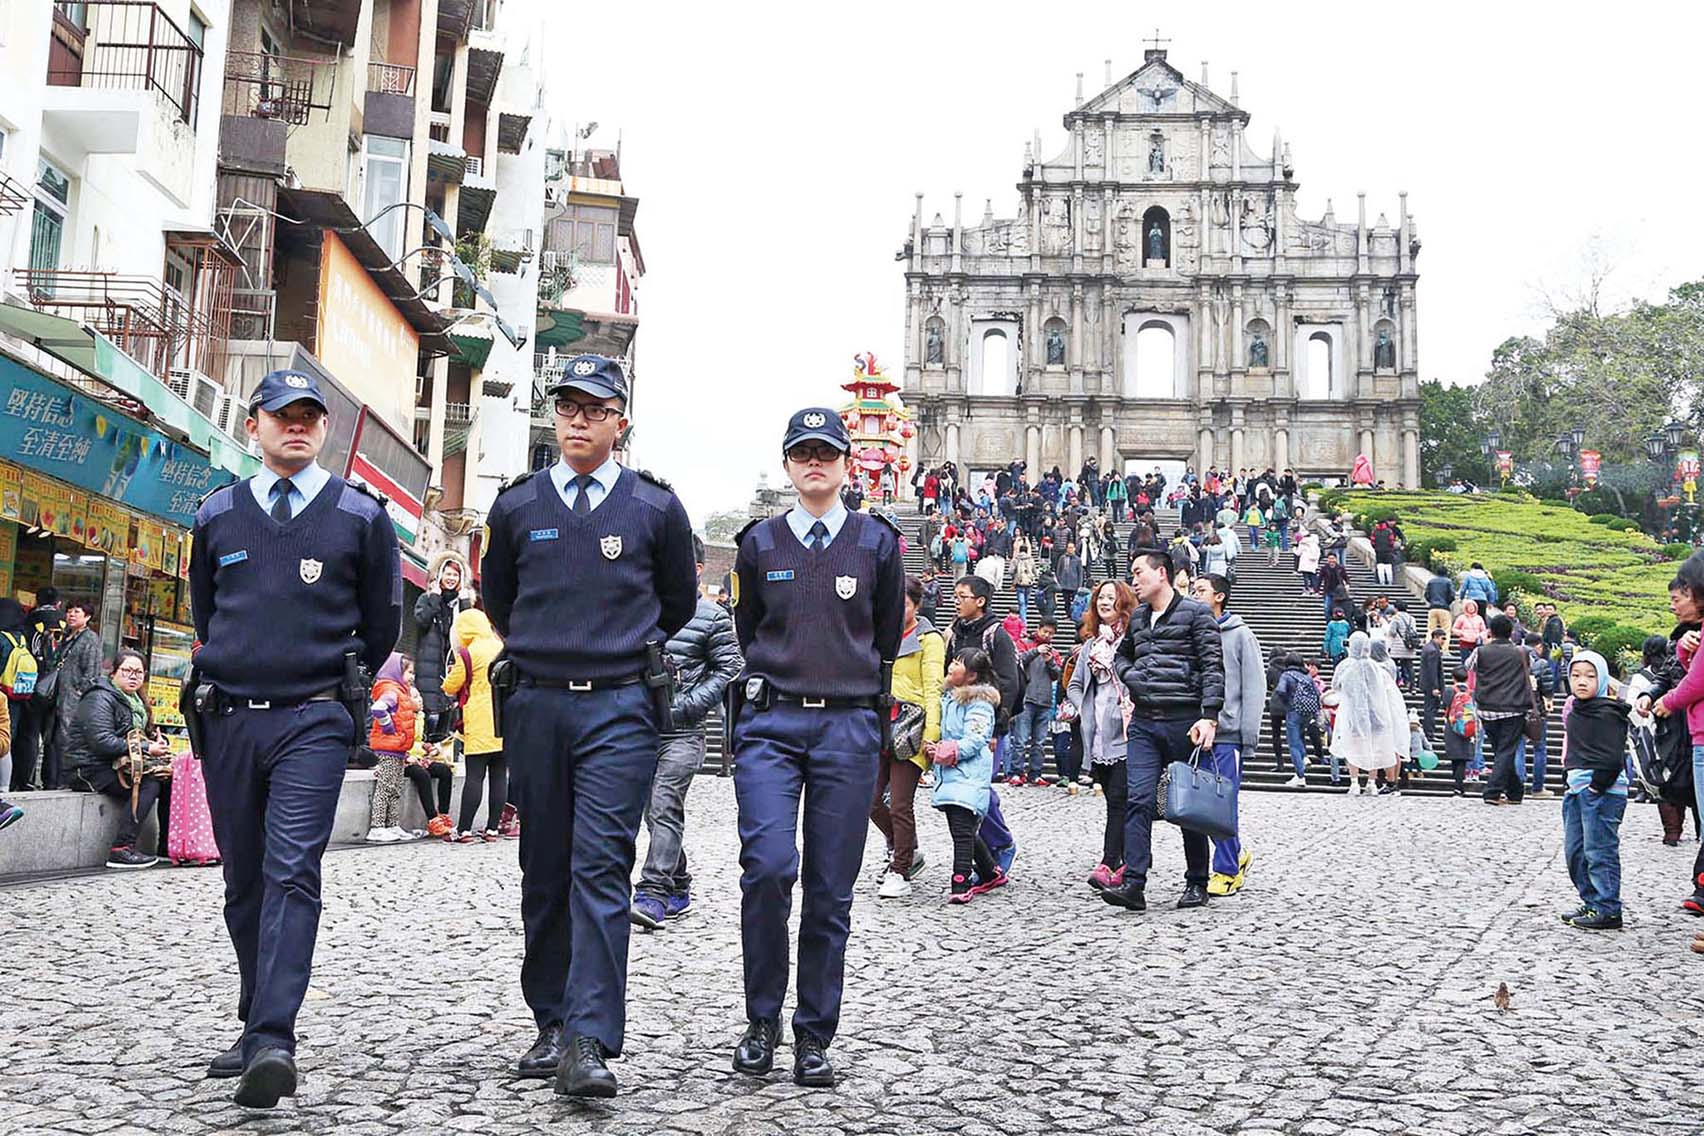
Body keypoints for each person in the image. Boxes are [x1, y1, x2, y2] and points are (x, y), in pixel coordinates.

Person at [186, 369, 402, 1107]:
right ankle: (255, 1018)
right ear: (254, 425)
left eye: (310, 416)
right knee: (243, 881)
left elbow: (382, 624)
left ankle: (274, 1038)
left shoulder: (359, 516)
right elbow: (206, 616)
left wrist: (331, 683)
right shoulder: (217, 514)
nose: (297, 426)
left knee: (291, 871)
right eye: (282, 416)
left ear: (324, 429)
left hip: (312, 716)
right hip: (229, 718)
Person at [481, 354, 695, 1098]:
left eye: (593, 407)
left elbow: (673, 603)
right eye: (566, 405)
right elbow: (501, 602)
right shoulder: (516, 508)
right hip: (538, 703)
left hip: (618, 706)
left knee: (601, 865)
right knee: (543, 867)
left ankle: (590, 1038)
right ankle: (549, 1018)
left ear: (619, 422)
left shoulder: (654, 508)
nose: (576, 418)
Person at [727, 405, 902, 1090]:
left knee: (831, 892)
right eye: (802, 452)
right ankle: (761, 1020)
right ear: (788, 463)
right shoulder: (759, 544)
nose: (814, 462)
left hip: (848, 727)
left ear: (846, 463)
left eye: (826, 451)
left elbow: (883, 635)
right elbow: (748, 630)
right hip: (772, 726)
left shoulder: (876, 544)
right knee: (768, 869)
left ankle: (814, 1034)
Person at [1100, 551, 1224, 912]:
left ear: (1162, 574)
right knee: (1137, 799)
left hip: (1185, 722)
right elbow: (1121, 657)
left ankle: (1197, 881)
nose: (1133, 580)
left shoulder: (1197, 614)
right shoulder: (1138, 617)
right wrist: (1131, 676)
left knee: (1189, 805)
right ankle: (1134, 884)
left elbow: (1213, 666)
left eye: (1139, 573)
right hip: (1144, 722)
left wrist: (1209, 717)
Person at [632, 535, 742, 927]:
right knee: (651, 811)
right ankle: (679, 883)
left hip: (684, 732)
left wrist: (688, 705)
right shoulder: (641, 609)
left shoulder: (712, 616)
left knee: (663, 804)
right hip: (641, 728)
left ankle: (653, 892)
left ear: (696, 569)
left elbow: (731, 665)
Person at [871, 575, 943, 899]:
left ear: (917, 604)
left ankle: (900, 869)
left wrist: (932, 735)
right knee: (870, 801)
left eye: (905, 604)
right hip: (879, 723)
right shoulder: (879, 634)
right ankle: (904, 848)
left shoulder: (929, 639)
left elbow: (933, 689)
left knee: (900, 803)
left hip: (911, 726)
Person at [1191, 574, 1263, 896]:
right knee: (1197, 805)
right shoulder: (1191, 632)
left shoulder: (1241, 635)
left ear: (1219, 597)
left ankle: (1226, 870)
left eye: (1201, 591)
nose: (1194, 595)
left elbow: (1254, 685)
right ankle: (1235, 854)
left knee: (1222, 804)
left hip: (1227, 732)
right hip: (1196, 730)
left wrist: (1248, 735)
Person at [1640, 554, 1704, 914]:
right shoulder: (1684, 635)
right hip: (1688, 731)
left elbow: (1696, 680)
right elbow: (1675, 670)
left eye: (1680, 596)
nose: (1674, 605)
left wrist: (1669, 701)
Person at [69, 649, 173, 868]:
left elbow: (141, 735)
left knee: (169, 779)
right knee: (149, 783)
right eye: (127, 670)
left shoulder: (136, 701)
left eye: (139, 672)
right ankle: (121, 848)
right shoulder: (99, 697)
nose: (133, 676)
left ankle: (166, 846)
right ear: (114, 673)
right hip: (89, 767)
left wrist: (157, 742)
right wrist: (147, 747)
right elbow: (102, 741)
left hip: (120, 764)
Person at [927, 648, 1008, 904]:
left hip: (968, 773)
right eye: (952, 660)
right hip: (951, 771)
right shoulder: (949, 698)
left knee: (962, 830)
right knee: (962, 828)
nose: (951, 666)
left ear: (972, 676)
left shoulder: (980, 703)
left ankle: (960, 881)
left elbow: (976, 738)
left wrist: (946, 751)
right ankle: (989, 871)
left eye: (958, 664)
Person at [1558, 650, 1630, 931]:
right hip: (1576, 788)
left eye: (1590, 676)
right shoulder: (1576, 710)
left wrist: (1595, 786)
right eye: (1575, 676)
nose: (1582, 682)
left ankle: (1608, 907)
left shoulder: (1609, 712)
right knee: (1575, 851)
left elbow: (1613, 758)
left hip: (1602, 792)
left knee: (1599, 850)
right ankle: (1591, 900)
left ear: (1601, 679)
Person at [443, 606, 510, 843]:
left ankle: (464, 830)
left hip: (479, 721)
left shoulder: (468, 653)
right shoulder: (501, 646)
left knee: (475, 776)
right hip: (503, 720)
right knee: (500, 775)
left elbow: (452, 685)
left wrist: (449, 679)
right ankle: (492, 829)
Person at [1329, 632, 1409, 796]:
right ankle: (1371, 782)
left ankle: (1354, 782)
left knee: (1352, 746)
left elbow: (1336, 685)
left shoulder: (1345, 665)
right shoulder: (1374, 666)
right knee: (1372, 747)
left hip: (1352, 711)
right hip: (1375, 711)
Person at [364, 654, 430, 843]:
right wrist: (389, 728)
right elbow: (378, 709)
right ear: (396, 672)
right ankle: (377, 827)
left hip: (398, 748)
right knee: (386, 788)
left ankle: (392, 825)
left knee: (395, 788)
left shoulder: (400, 691)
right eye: (409, 672)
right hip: (388, 748)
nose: (412, 677)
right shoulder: (391, 691)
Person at [1473, 614, 1535, 806]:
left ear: (1490, 632)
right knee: (1505, 751)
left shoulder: (1481, 651)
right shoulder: (1522, 652)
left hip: (1487, 708)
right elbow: (1532, 669)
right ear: (1511, 633)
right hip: (1513, 708)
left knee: (1501, 750)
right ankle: (1492, 792)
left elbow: (1469, 667)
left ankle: (1515, 792)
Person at [412, 556, 470, 742]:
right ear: (439, 575)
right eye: (448, 573)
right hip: (428, 665)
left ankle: (440, 758)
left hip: (451, 665)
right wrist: (435, 598)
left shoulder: (460, 603)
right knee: (430, 714)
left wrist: (465, 603)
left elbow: (469, 630)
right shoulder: (426, 598)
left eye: (456, 574)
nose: (451, 578)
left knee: (448, 714)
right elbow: (422, 621)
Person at [52, 600, 103, 791]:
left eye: (77, 612)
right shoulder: (66, 636)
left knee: (69, 738)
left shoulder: (90, 639)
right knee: (55, 738)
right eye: (69, 611)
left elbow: (92, 673)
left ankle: (68, 780)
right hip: (59, 696)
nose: (71, 615)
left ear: (87, 617)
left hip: (74, 699)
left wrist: (82, 695)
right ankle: (54, 779)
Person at [1010, 619, 1061, 787]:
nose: (1047, 635)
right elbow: (1018, 662)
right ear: (1038, 629)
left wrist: (1050, 661)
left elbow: (1056, 675)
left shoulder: (1053, 652)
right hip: (1026, 698)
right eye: (1045, 631)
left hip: (1045, 701)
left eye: (1051, 633)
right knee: (1020, 739)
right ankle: (1016, 772)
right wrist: (1036, 652)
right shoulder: (1024, 644)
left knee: (1039, 743)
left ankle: (1035, 773)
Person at [1444, 667, 1476, 795]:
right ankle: (1459, 786)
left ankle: (1457, 785)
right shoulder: (1471, 692)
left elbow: (1445, 705)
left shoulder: (1449, 690)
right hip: (1467, 726)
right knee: (1463, 757)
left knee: (1455, 757)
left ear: (1453, 677)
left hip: (1452, 726)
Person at [1385, 600, 1419, 689]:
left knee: (1394, 664)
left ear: (1396, 608)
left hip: (1398, 646)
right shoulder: (1412, 618)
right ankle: (1412, 686)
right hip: (1409, 645)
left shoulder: (1396, 618)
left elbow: (1392, 632)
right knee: (1409, 666)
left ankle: (1395, 683)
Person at [1420, 630, 1447, 742]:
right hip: (1431, 685)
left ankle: (1429, 732)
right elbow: (1432, 671)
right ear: (1436, 637)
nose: (1444, 641)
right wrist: (1435, 687)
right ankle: (1429, 733)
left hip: (1427, 684)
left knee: (1430, 708)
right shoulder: (1432, 650)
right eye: (1443, 638)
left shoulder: (1429, 648)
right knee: (1430, 709)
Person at [1424, 570, 1455, 642]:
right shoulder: (1448, 582)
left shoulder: (1431, 582)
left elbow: (1426, 595)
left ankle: (1428, 646)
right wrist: (1448, 602)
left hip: (1432, 608)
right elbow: (1452, 595)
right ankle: (1444, 650)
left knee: (1431, 629)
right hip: (1444, 608)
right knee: (1446, 630)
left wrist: (1431, 601)